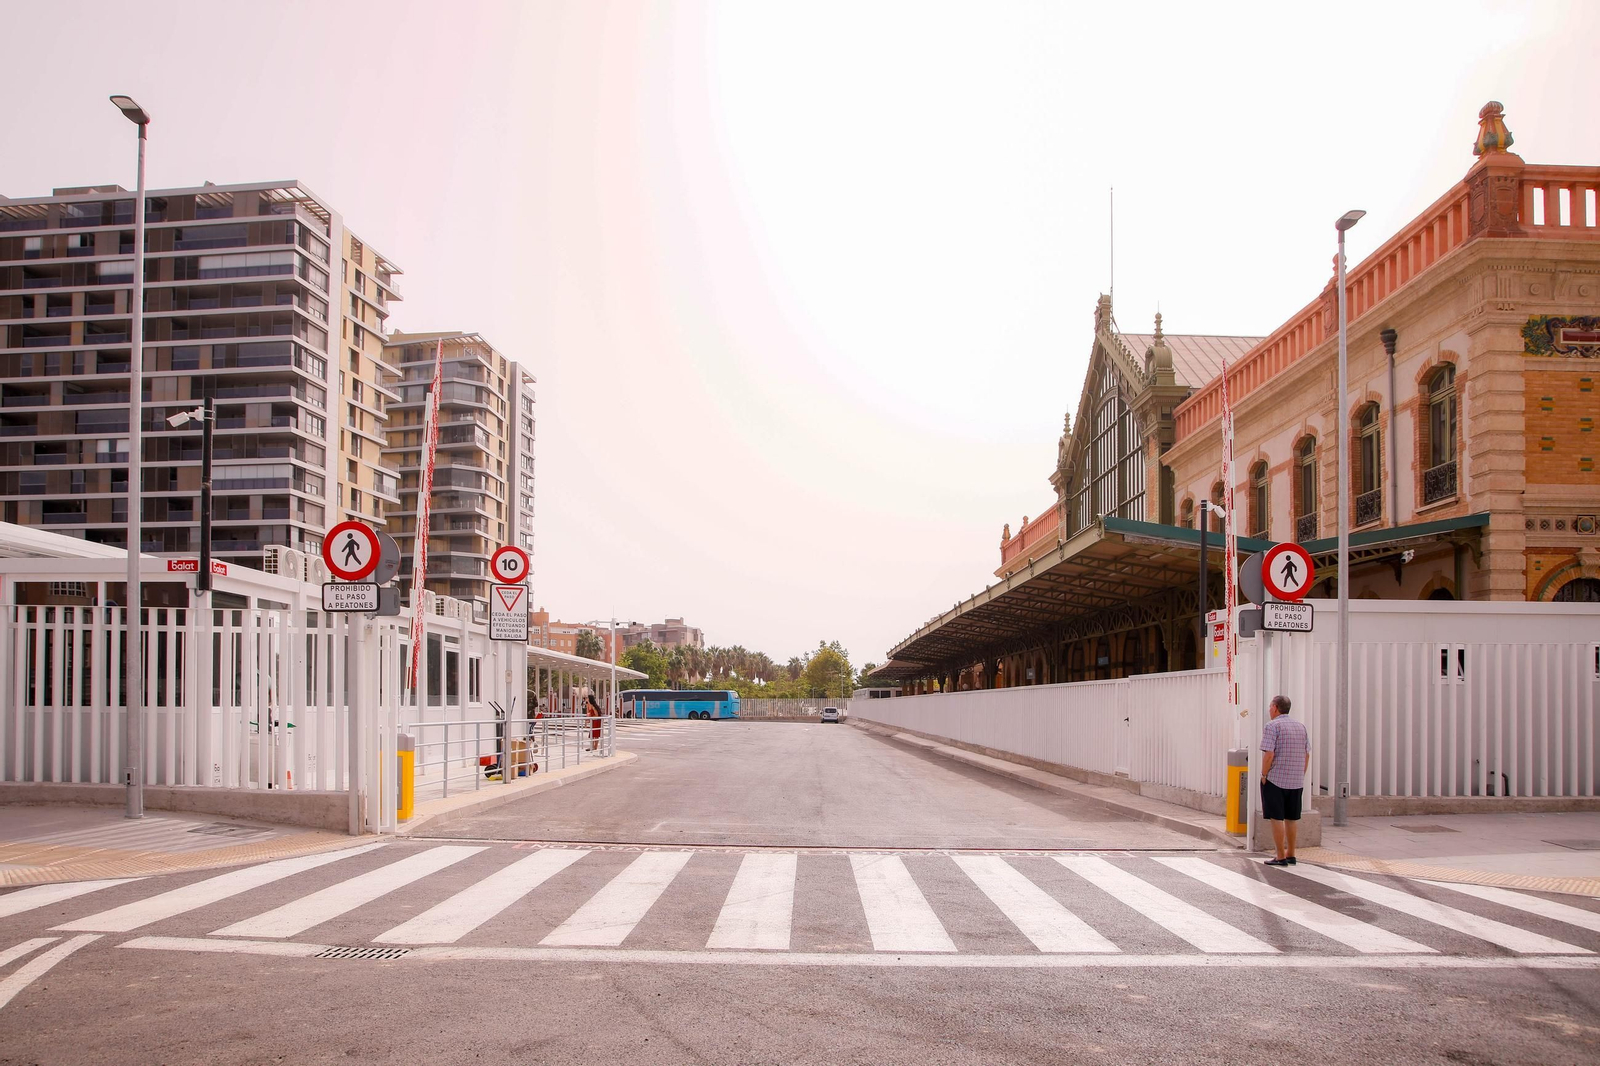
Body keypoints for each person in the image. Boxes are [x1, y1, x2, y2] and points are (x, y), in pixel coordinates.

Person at [1259, 694, 1310, 866]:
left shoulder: (1272, 726)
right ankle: (1291, 854)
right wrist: (1300, 774)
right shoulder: (1301, 727)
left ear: (1274, 707)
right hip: (1296, 781)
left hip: (1276, 779)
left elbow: (1269, 754)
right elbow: (1306, 753)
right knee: (1291, 818)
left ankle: (1280, 856)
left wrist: (1264, 775)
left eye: (1270, 707)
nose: (1269, 710)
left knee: (1277, 817)